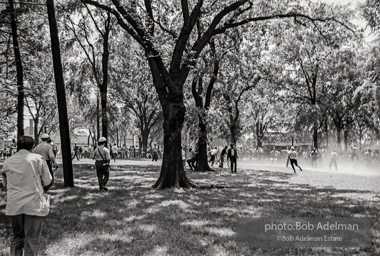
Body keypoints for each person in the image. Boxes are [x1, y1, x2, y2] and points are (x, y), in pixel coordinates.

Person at [1, 136, 52, 256]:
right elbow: (48, 180)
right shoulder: (38, 159)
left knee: (17, 236)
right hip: (33, 204)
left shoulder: (8, 161)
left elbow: (5, 182)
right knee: (32, 238)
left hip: (15, 204)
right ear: (32, 147)